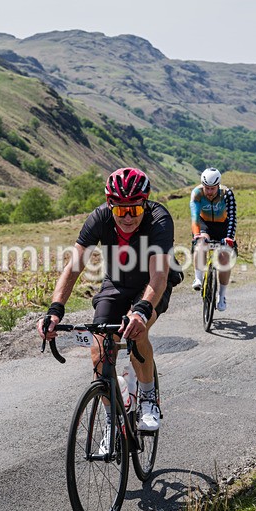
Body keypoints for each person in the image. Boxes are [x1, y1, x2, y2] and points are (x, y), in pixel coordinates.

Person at [38, 167, 179, 433]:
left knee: (137, 332)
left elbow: (159, 274)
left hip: (152, 285)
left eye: (134, 210)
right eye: (120, 210)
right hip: (116, 283)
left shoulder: (159, 219)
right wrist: (55, 310)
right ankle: (111, 421)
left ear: (145, 204)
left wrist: (142, 311)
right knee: (100, 349)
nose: (127, 217)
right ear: (109, 204)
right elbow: (74, 267)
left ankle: (148, 398)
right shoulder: (99, 219)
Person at [189, 167, 237, 311]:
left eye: (212, 188)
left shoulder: (227, 193)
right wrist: (197, 234)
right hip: (205, 225)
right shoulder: (197, 193)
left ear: (218, 185)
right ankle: (198, 278)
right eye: (207, 188)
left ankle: (221, 296)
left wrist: (229, 237)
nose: (209, 192)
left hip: (223, 227)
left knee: (224, 258)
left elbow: (233, 218)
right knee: (201, 243)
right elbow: (195, 217)